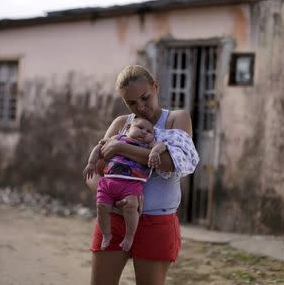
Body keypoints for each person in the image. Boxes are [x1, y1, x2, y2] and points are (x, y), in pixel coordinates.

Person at [86, 65, 199, 285]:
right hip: (114, 220)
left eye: (145, 97)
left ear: (155, 87)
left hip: (156, 224)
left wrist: (122, 149)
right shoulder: (121, 124)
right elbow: (95, 171)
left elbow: (171, 163)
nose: (141, 107)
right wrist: (112, 198)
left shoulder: (176, 120)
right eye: (131, 102)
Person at [83, 117, 167, 252]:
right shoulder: (118, 138)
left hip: (132, 184)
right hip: (109, 182)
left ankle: (129, 237)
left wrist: (155, 151)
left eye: (149, 131)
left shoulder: (148, 145)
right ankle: (106, 234)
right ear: (128, 128)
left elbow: (162, 145)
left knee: (132, 206)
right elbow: (99, 147)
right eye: (140, 128)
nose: (144, 132)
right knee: (102, 207)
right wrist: (91, 163)